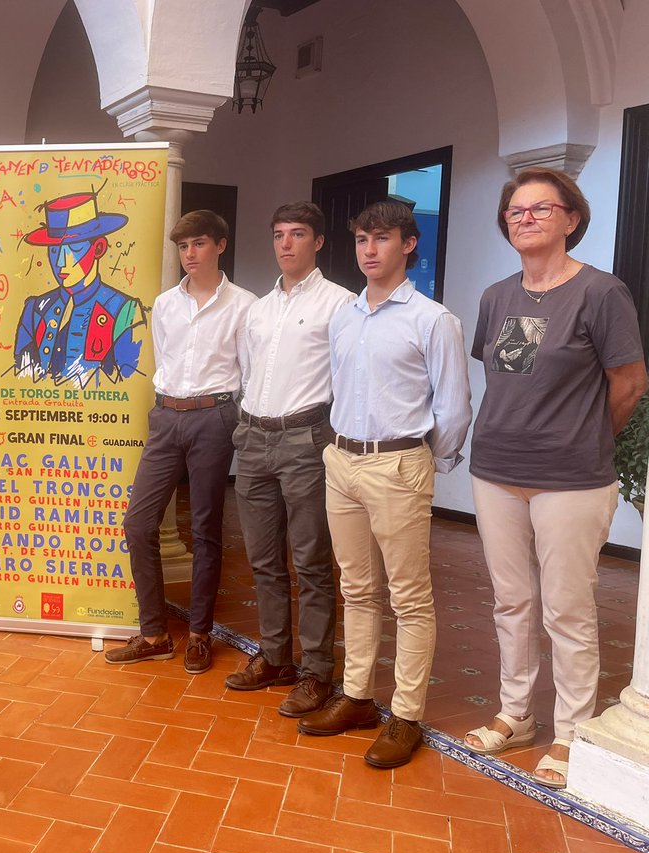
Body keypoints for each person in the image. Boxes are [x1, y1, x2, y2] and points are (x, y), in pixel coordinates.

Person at [463, 168, 647, 789]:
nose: (526, 218)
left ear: (572, 218)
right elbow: (504, 379)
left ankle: (571, 730)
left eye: (541, 209)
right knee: (512, 600)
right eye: (515, 211)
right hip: (496, 472)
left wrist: (588, 434)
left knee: (567, 608)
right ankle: (516, 714)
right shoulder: (495, 296)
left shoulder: (601, 292)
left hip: (571, 477)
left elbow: (629, 382)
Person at [297, 200, 471, 768]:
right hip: (342, 462)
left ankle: (407, 715)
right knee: (357, 589)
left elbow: (454, 407)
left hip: (398, 465)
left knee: (410, 597)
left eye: (381, 239)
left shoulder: (432, 319)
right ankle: (357, 698)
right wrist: (334, 450)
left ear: (409, 245)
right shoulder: (345, 316)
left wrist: (426, 464)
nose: (369, 250)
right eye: (361, 240)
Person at [105, 211, 255, 674]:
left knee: (206, 529)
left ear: (220, 246)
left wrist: (232, 418)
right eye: (183, 247)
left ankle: (198, 635)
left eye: (199, 244)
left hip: (214, 416)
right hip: (167, 416)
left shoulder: (245, 305)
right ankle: (154, 633)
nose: (190, 254)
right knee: (137, 522)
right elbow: (162, 358)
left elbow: (249, 371)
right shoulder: (165, 304)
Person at [225, 202, 354, 717]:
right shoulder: (258, 308)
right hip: (253, 438)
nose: (286, 244)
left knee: (312, 562)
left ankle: (317, 670)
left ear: (318, 242)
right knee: (262, 560)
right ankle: (276, 656)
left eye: (297, 234)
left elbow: (348, 379)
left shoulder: (340, 304)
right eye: (278, 234)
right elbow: (247, 372)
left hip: (306, 440)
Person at [13, 191, 147, 390]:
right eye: (55, 250)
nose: (60, 262)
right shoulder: (35, 310)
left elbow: (129, 383)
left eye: (74, 249)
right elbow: (21, 379)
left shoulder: (125, 311)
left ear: (98, 249)